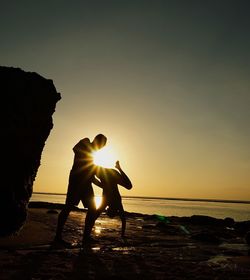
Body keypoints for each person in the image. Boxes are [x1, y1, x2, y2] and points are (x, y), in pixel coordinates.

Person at [54, 134, 107, 246]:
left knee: (92, 209)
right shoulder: (85, 142)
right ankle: (57, 237)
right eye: (101, 145)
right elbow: (75, 149)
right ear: (97, 140)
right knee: (68, 207)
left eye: (102, 147)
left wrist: (104, 186)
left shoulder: (93, 158)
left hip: (86, 184)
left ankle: (86, 238)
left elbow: (92, 177)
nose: (100, 148)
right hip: (76, 181)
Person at [94, 161, 132, 238]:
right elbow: (123, 220)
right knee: (128, 186)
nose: (107, 208)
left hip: (110, 174)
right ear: (109, 209)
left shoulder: (115, 203)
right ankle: (119, 168)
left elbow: (123, 220)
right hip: (109, 174)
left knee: (129, 186)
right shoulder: (110, 202)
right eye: (108, 210)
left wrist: (122, 235)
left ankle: (119, 168)